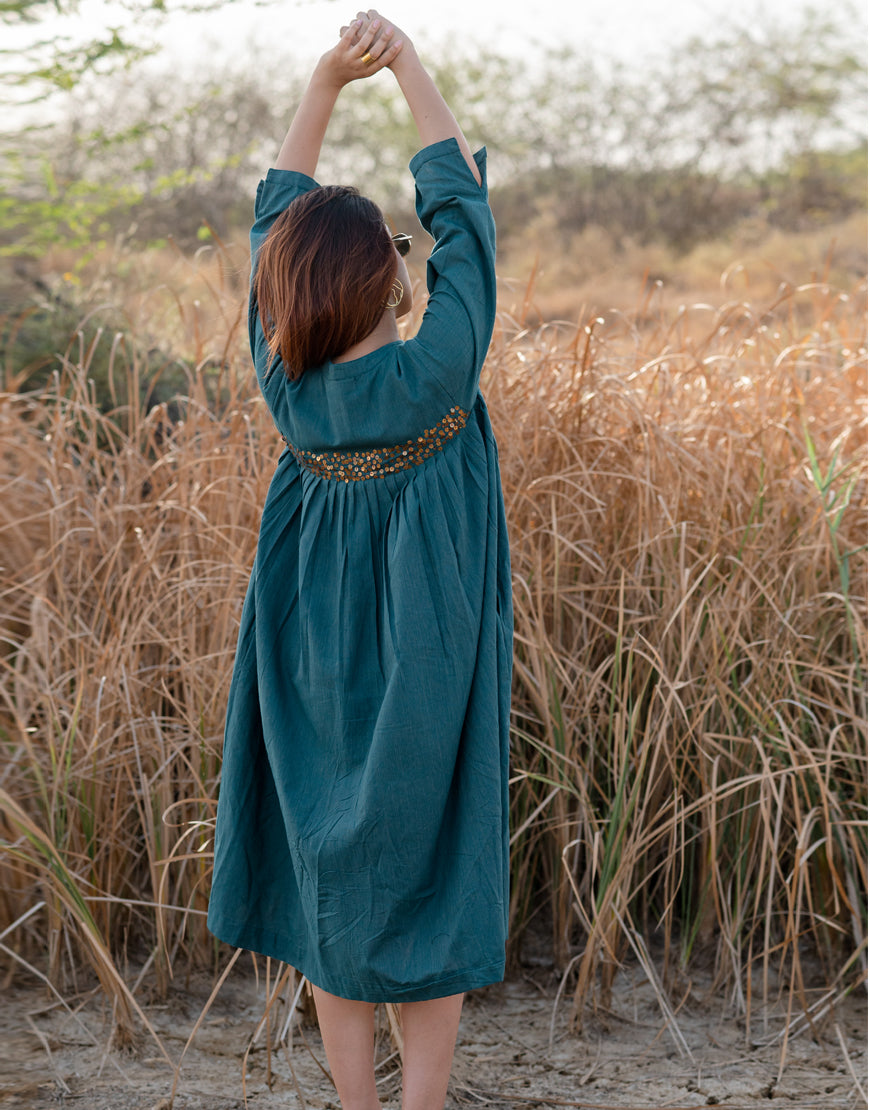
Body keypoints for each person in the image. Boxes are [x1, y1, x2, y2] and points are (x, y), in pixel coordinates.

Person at [207, 11, 512, 1110]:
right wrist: (405, 69)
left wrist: (324, 85)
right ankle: (421, 1102)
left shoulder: (283, 383)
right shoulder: (437, 372)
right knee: (428, 866)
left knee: (332, 868)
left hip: (305, 658)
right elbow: (464, 219)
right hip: (427, 655)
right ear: (392, 281)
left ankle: (356, 1102)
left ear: (284, 298)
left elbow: (276, 222)